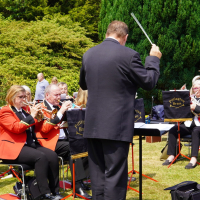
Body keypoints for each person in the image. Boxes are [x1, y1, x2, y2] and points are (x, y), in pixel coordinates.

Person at [79, 20, 162, 200]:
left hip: (93, 125)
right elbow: (148, 82)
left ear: (107, 33)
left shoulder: (88, 54)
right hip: (115, 125)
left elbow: (83, 84)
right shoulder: (129, 55)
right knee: (115, 176)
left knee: (98, 175)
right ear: (125, 37)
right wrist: (154, 59)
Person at [0, 85, 63, 200]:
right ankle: (44, 193)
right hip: (13, 147)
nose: (24, 100)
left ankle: (55, 191)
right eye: (21, 97)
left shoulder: (26, 110)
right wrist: (32, 116)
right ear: (12, 97)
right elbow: (16, 128)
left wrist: (41, 115)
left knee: (52, 156)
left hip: (29, 144)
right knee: (40, 157)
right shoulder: (5, 111)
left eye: (25, 96)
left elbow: (37, 125)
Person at [36, 84, 92, 199]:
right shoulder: (41, 108)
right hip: (48, 142)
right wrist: (61, 111)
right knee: (74, 148)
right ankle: (78, 186)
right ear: (47, 95)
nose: (58, 97)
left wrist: (75, 109)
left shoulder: (60, 105)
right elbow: (45, 129)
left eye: (59, 95)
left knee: (85, 144)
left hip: (64, 140)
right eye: (56, 95)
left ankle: (81, 181)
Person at [163, 76, 200, 169]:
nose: (197, 90)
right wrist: (180, 94)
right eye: (195, 88)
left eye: (199, 88)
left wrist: (195, 107)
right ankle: (172, 155)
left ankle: (194, 159)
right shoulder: (190, 98)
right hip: (189, 124)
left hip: (199, 126)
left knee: (196, 131)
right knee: (173, 130)